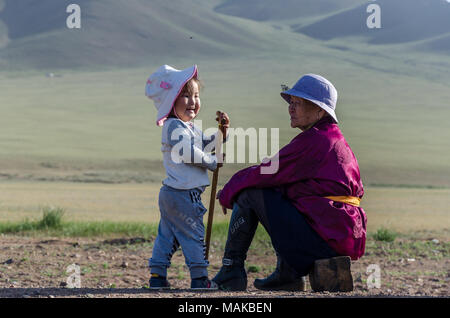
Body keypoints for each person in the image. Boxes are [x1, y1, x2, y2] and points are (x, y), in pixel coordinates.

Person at [212, 74, 367, 292]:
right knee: (276, 192)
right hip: (336, 235)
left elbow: (265, 172)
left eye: (298, 103)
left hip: (327, 239)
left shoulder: (316, 140)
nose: (291, 109)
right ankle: (287, 274)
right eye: (291, 103)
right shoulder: (329, 138)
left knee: (251, 193)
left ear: (320, 110)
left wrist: (230, 190)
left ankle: (231, 270)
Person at [145, 65, 230, 290]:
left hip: (172, 194)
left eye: (196, 95)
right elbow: (189, 152)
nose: (192, 101)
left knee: (167, 235)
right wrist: (211, 163)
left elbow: (205, 145)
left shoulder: (188, 127)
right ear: (171, 100)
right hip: (183, 195)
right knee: (193, 235)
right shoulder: (173, 126)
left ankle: (157, 275)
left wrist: (222, 132)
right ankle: (200, 279)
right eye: (185, 95)